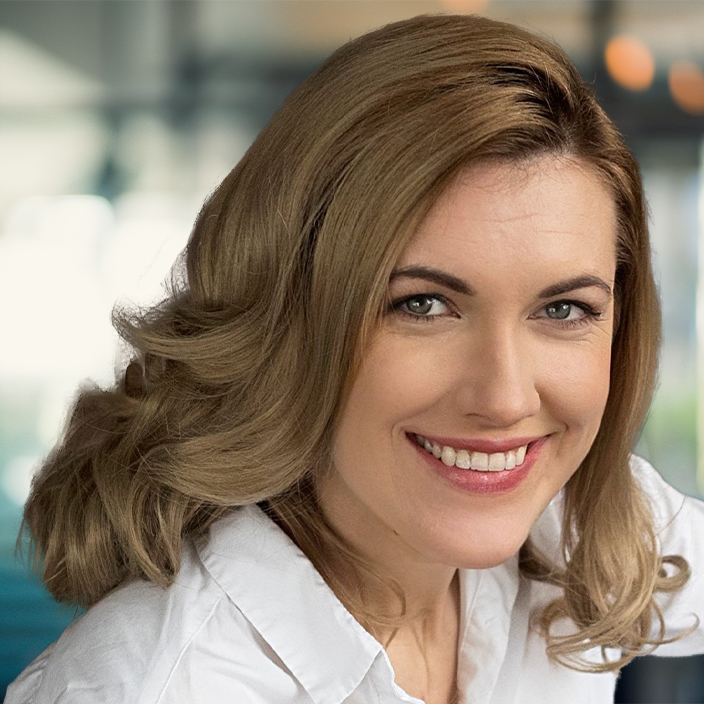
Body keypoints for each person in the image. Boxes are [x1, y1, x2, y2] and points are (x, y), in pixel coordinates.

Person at [6, 13, 704, 704]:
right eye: (422, 305)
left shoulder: (577, 525)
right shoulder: (153, 688)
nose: (505, 398)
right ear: (290, 322)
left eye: (562, 310)